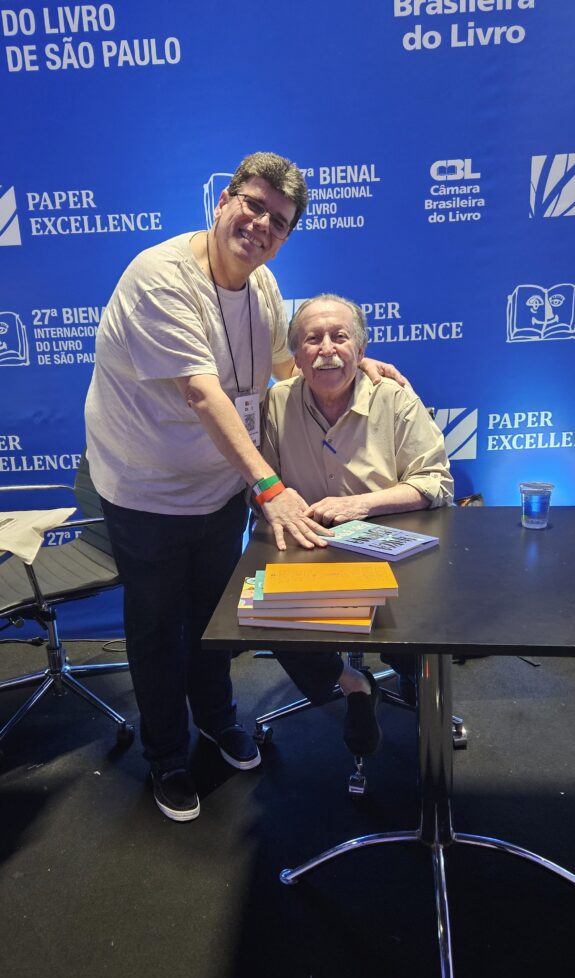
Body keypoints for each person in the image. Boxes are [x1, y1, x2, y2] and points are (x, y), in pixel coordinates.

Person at [84, 153, 405, 822]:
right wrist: (270, 487)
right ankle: (166, 756)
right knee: (157, 628)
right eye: (253, 205)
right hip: (146, 490)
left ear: (284, 238)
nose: (260, 225)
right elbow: (203, 393)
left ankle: (218, 721)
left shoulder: (261, 284)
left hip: (220, 483)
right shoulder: (159, 277)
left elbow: (283, 364)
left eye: (277, 221)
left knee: (214, 617)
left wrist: (345, 364)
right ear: (223, 200)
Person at [259, 293, 454, 757]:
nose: (326, 349)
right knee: (264, 611)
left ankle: (411, 675)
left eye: (339, 337)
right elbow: (259, 481)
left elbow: (436, 481)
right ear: (296, 356)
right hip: (311, 547)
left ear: (361, 349)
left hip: (389, 542)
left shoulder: (394, 397)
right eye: (313, 339)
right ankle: (350, 682)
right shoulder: (276, 402)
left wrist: (359, 505)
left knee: (418, 617)